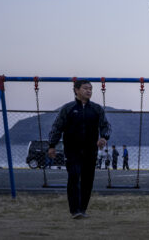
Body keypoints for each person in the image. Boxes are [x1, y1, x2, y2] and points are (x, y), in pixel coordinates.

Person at [47, 79, 112, 219]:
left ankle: (82, 209)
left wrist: (104, 138)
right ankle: (75, 210)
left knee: (88, 180)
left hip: (91, 150)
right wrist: (52, 145)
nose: (89, 91)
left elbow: (105, 125)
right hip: (72, 149)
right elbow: (57, 127)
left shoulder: (96, 109)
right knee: (74, 177)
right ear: (76, 90)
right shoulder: (68, 108)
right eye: (85, 88)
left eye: (90, 89)